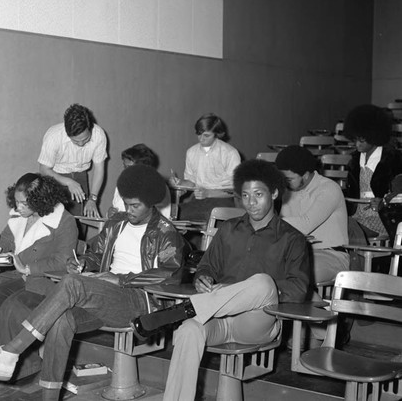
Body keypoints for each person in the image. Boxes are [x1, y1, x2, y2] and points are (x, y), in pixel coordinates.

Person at [0, 165, 185, 401]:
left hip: (137, 298)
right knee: (60, 319)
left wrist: (120, 279)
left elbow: (171, 274)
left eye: (135, 206)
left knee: (72, 283)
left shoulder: (166, 233)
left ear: (152, 204)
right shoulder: (117, 223)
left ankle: (8, 353)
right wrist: (81, 264)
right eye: (126, 203)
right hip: (104, 297)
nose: (128, 210)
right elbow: (95, 253)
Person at [132, 159, 310, 401]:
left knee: (264, 283)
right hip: (215, 317)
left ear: (275, 193)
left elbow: (298, 290)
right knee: (188, 331)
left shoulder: (293, 239)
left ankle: (184, 309)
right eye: (245, 195)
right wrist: (203, 278)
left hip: (257, 321)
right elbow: (207, 266)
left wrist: (235, 290)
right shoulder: (229, 229)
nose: (251, 202)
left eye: (258, 194)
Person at [0, 173, 78, 380]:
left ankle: (21, 370)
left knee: (12, 307)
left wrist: (28, 268)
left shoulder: (64, 222)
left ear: (40, 201)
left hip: (47, 283)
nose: (19, 207)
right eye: (16, 202)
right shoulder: (18, 217)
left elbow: (64, 261)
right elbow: (6, 240)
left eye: (24, 203)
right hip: (21, 279)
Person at [275, 145, 349, 285]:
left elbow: (305, 224)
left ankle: (312, 305)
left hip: (332, 255)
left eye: (289, 179)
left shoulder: (329, 188)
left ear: (306, 174)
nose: (285, 183)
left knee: (296, 272)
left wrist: (270, 221)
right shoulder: (287, 191)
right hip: (298, 254)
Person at [343, 104, 402, 240]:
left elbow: (399, 196)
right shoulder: (354, 160)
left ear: (375, 136)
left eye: (362, 140)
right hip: (356, 215)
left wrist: (384, 203)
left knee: (348, 228)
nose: (357, 144)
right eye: (355, 140)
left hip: (382, 218)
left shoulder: (394, 159)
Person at [38, 104, 107, 217]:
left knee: (80, 222)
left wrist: (93, 199)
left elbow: (99, 168)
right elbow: (44, 169)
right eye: (75, 141)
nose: (81, 144)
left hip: (80, 175)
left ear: (90, 128)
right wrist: (68, 182)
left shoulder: (98, 134)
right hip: (55, 177)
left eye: (85, 139)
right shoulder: (53, 136)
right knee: (55, 221)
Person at [170, 113, 241, 222]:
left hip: (224, 201)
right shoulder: (191, 152)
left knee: (208, 215)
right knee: (172, 212)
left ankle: (210, 238)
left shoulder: (230, 153)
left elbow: (235, 190)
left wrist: (208, 193)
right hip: (199, 201)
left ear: (217, 134)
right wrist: (180, 183)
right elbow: (191, 182)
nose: (201, 139)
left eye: (206, 135)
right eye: (199, 134)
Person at [108, 143, 171, 219]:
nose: (126, 171)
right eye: (124, 166)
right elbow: (117, 207)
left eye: (129, 167)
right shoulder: (122, 184)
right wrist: (110, 212)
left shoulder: (157, 186)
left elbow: (160, 216)